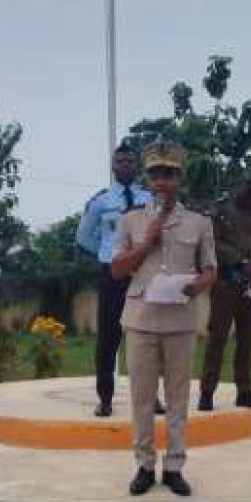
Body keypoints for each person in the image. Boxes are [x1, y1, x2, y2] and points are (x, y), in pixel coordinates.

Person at [111, 140, 217, 496]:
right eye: (155, 174)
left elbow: (211, 269)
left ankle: (174, 466)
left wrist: (198, 285)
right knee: (141, 398)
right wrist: (145, 243)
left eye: (168, 174)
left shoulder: (200, 223)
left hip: (180, 320)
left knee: (177, 397)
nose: (161, 181)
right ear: (148, 178)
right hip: (140, 319)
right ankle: (143, 465)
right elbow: (116, 269)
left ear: (179, 178)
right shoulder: (130, 221)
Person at [77, 142, 161, 417]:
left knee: (148, 335)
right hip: (112, 274)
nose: (125, 166)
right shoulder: (101, 201)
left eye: (129, 162)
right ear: (113, 166)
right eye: (120, 161)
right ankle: (105, 399)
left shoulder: (148, 200)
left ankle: (153, 398)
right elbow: (84, 237)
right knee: (108, 337)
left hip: (142, 274)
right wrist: (107, 254)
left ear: (136, 166)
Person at [198, 179, 251, 411]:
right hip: (226, 283)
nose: (248, 196)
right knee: (217, 336)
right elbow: (213, 244)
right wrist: (240, 261)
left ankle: (244, 391)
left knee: (247, 337)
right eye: (245, 191)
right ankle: (207, 392)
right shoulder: (219, 214)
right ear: (237, 190)